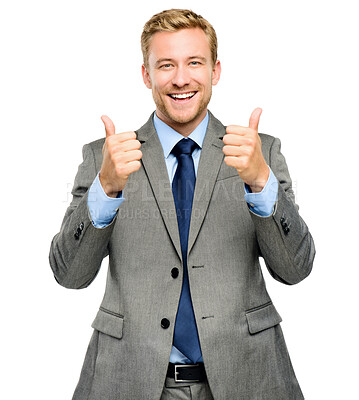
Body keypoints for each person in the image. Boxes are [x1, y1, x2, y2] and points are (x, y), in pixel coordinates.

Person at [49, 8, 315, 400]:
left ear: (215, 71)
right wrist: (105, 187)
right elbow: (69, 274)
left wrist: (261, 182)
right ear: (146, 75)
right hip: (129, 379)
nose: (180, 78)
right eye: (166, 65)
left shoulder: (261, 153)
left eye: (194, 62)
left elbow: (296, 269)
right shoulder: (104, 158)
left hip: (248, 378)